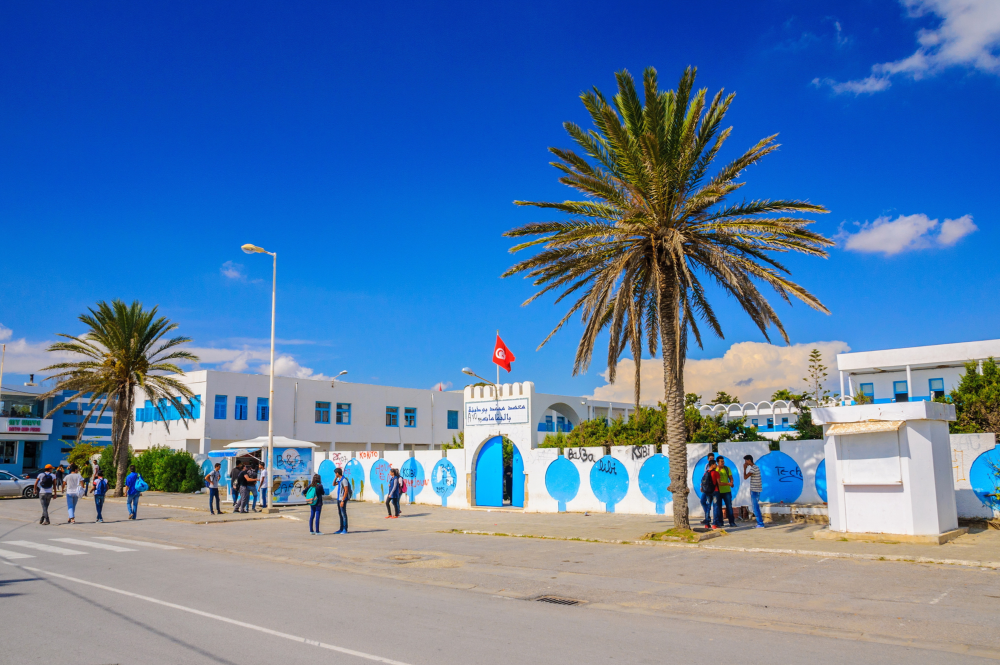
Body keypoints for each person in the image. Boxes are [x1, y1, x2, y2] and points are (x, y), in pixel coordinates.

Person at [744, 454, 766, 528]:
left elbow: (745, 477)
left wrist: (744, 469)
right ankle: (760, 523)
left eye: (746, 461)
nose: (745, 462)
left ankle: (760, 523)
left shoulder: (754, 468)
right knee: (755, 507)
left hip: (755, 490)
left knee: (755, 507)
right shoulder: (755, 467)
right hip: (756, 490)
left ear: (749, 460)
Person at [715, 456, 737, 528]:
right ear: (718, 462)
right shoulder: (715, 470)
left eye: (723, 461)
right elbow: (718, 482)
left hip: (727, 491)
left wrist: (731, 482)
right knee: (718, 507)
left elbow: (731, 478)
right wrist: (729, 483)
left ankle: (732, 522)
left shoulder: (727, 469)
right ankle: (720, 522)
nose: (723, 463)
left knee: (729, 507)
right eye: (721, 461)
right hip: (718, 491)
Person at [699, 459, 718, 529]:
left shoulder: (706, 473)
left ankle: (707, 524)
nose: (716, 465)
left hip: (707, 492)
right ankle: (714, 524)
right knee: (715, 507)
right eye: (715, 464)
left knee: (708, 507)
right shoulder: (715, 473)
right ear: (712, 465)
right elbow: (718, 483)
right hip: (715, 491)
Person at [334, 467, 350, 534]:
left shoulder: (344, 480)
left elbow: (346, 490)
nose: (335, 474)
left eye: (335, 473)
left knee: (343, 514)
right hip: (338, 499)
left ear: (337, 473)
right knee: (340, 514)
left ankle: (345, 529)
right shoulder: (340, 480)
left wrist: (343, 500)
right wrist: (335, 478)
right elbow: (334, 484)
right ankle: (340, 528)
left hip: (342, 499)